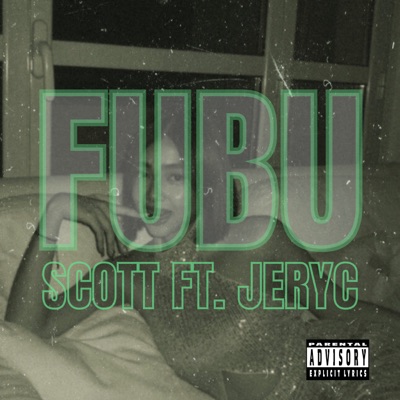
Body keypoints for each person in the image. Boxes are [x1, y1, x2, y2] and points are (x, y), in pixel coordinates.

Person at [4, 134, 400, 399]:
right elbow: (22, 330)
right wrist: (55, 213)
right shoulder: (127, 276)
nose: (154, 193)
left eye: (175, 177)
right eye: (145, 175)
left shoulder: (255, 241)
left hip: (338, 371)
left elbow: (342, 310)